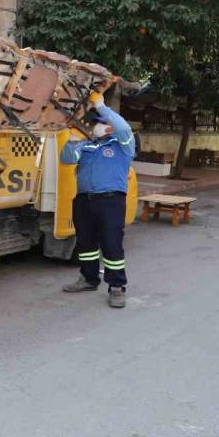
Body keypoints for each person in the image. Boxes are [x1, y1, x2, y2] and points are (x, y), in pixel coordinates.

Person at [60, 92, 136, 308]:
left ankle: (116, 287)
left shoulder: (122, 145)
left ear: (109, 127)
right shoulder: (86, 146)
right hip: (84, 201)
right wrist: (72, 142)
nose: (96, 126)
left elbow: (124, 128)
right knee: (86, 243)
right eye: (95, 123)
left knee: (111, 244)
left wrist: (102, 107)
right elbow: (66, 159)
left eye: (100, 123)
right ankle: (88, 278)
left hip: (110, 202)